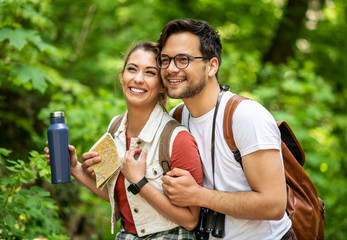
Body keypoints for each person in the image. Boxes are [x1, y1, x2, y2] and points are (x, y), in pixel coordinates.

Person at [44, 41, 203, 239]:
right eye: (132, 69)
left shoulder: (177, 139)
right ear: (122, 77)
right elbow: (119, 198)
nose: (138, 79)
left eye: (150, 73)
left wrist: (140, 182)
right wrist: (74, 168)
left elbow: (190, 219)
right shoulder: (115, 127)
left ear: (162, 85)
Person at [156, 19, 295, 240]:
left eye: (183, 59)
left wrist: (196, 195)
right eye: (165, 60)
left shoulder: (246, 116)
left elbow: (274, 205)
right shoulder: (177, 117)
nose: (171, 68)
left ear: (212, 66)